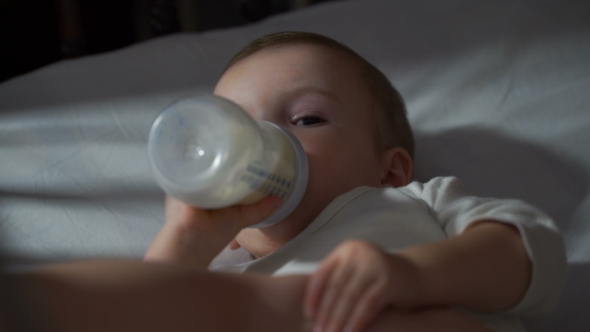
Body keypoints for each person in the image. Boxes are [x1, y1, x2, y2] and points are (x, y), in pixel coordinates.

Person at [4, 32, 565, 332]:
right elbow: (149, 309)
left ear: (388, 168)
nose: (263, 144)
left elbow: (528, 251)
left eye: (307, 120)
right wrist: (187, 240)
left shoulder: (411, 200)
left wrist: (413, 275)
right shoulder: (226, 263)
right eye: (239, 130)